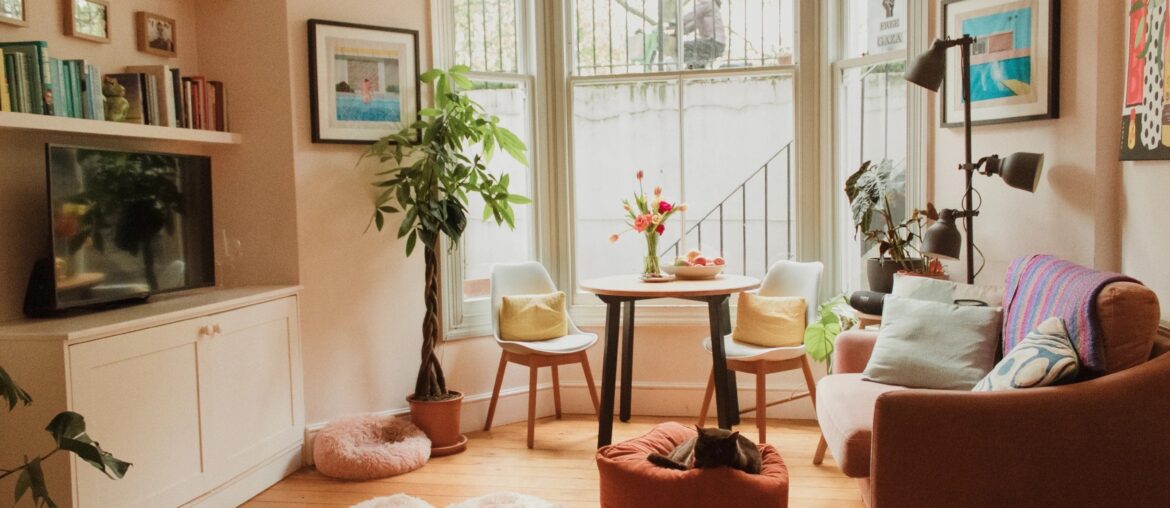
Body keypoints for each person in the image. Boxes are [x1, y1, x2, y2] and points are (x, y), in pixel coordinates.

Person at [681, 0, 726, 69]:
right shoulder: (708, 9)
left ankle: (691, 68)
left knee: (683, 46)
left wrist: (676, 21)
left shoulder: (707, 3)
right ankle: (698, 74)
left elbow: (692, 15)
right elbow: (693, 25)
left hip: (713, 42)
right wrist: (678, 31)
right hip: (717, 44)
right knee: (700, 59)